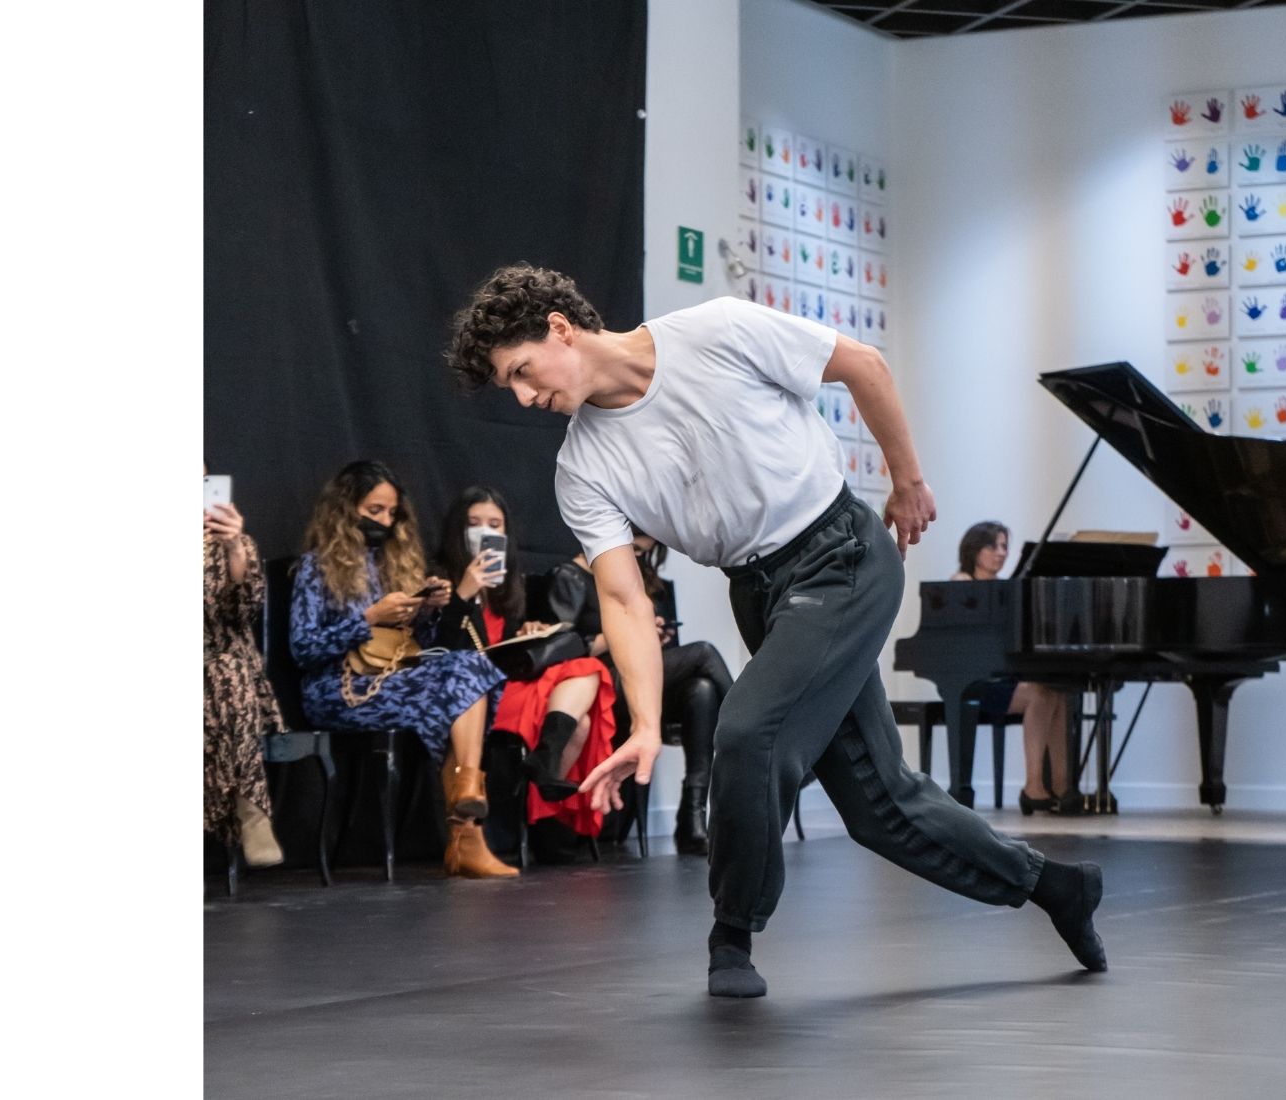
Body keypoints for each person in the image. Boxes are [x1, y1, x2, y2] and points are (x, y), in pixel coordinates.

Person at [446, 265, 1106, 998]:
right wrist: (643, 723)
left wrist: (907, 480)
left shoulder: (716, 330)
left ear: (560, 329)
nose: (524, 397)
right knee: (880, 807)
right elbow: (624, 599)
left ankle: (732, 933)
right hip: (759, 592)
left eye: (522, 372)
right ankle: (1057, 887)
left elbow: (863, 365)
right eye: (510, 386)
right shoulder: (581, 466)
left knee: (747, 731)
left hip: (839, 555)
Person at [289, 460, 516, 879]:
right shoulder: (316, 567)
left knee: (469, 667)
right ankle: (466, 833)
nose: (384, 521)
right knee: (459, 693)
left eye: (391, 513)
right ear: (346, 508)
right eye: (374, 510)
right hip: (336, 689)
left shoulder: (394, 563)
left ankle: (467, 794)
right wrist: (369, 618)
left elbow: (420, 648)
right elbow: (304, 649)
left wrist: (428, 609)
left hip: (391, 679)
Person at [434, 485, 616, 850]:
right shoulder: (439, 579)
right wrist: (463, 594)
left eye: (494, 525)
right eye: (474, 523)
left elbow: (505, 643)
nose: (485, 532)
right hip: (469, 695)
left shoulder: (509, 584)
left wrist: (528, 632)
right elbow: (440, 649)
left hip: (506, 680)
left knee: (585, 678)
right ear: (458, 529)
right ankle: (547, 808)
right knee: (579, 709)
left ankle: (547, 791)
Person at [549, 530, 731, 855]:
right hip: (593, 684)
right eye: (632, 549)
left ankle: (692, 816)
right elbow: (562, 650)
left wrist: (653, 638)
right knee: (704, 652)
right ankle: (749, 733)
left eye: (643, 553)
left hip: (637, 681)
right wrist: (623, 632)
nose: (636, 558)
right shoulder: (569, 576)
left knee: (701, 689)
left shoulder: (643, 578)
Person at [952, 522, 1079, 815]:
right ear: (973, 549)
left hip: (1005, 677)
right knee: (1041, 693)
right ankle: (1033, 786)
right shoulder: (962, 582)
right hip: (976, 681)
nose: (1001, 553)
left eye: (1004, 546)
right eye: (992, 546)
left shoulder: (1008, 589)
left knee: (1059, 693)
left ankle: (1061, 785)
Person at [203, 481, 284, 867]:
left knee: (227, 670)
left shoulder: (234, 545)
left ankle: (251, 811)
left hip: (224, 670)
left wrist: (235, 549)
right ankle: (250, 809)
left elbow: (243, 612)